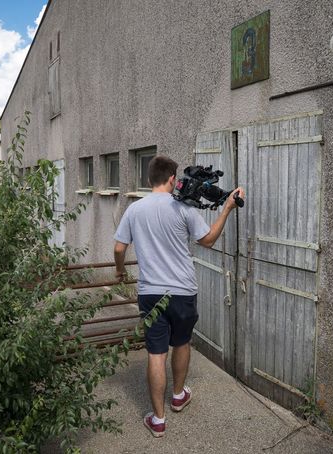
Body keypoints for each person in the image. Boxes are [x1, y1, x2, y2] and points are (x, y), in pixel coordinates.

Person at [113, 155, 244, 437]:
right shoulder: (184, 208)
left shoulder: (134, 210)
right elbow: (207, 240)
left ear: (150, 179)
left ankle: (158, 420)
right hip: (183, 291)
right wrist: (227, 208)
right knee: (182, 342)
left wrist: (120, 273)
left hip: (151, 293)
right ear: (172, 178)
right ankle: (177, 396)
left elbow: (118, 249)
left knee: (156, 353)